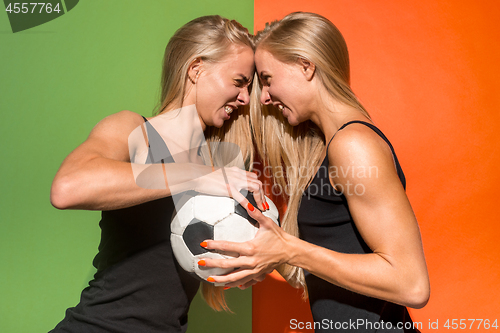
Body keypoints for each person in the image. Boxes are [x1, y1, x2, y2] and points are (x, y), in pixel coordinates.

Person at [200, 12, 430, 332]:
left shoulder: (353, 144)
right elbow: (336, 264)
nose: (264, 97)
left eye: (267, 79)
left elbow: (411, 284)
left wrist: (291, 248)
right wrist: (269, 251)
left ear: (306, 66)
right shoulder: (330, 146)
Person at [49, 15, 265, 333]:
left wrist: (247, 265)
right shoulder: (136, 131)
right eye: (238, 82)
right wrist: (195, 175)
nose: (245, 98)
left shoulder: (219, 164)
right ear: (196, 69)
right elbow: (67, 188)